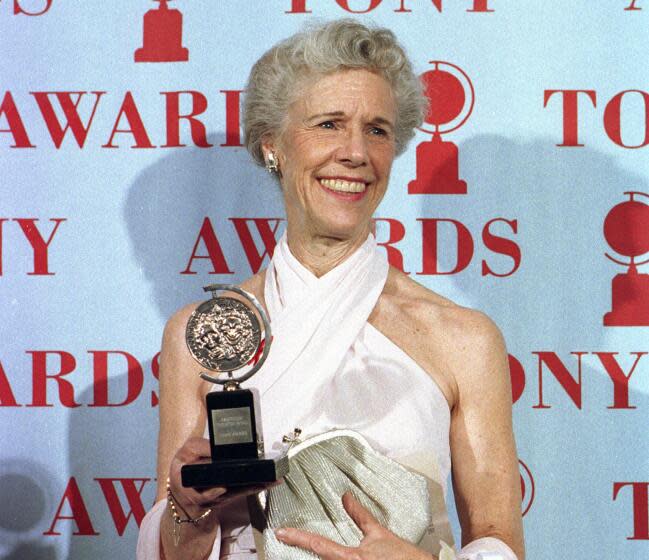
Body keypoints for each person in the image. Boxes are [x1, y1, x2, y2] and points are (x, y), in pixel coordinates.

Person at [137, 19, 525, 560]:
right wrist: (188, 508)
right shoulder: (200, 336)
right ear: (272, 144)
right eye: (328, 124)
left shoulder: (464, 339)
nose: (355, 152)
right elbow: (177, 551)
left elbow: (499, 544)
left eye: (378, 130)